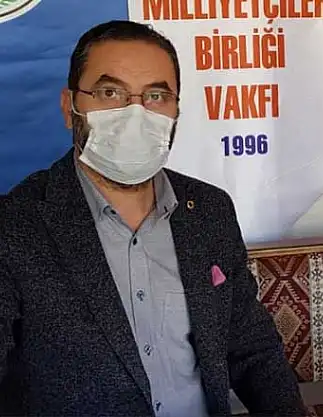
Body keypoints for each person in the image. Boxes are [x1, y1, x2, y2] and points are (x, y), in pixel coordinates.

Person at [0, 20, 305, 416]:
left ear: (176, 110)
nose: (136, 114)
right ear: (69, 107)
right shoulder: (15, 225)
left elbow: (250, 345)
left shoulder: (209, 211)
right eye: (110, 93)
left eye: (156, 96)